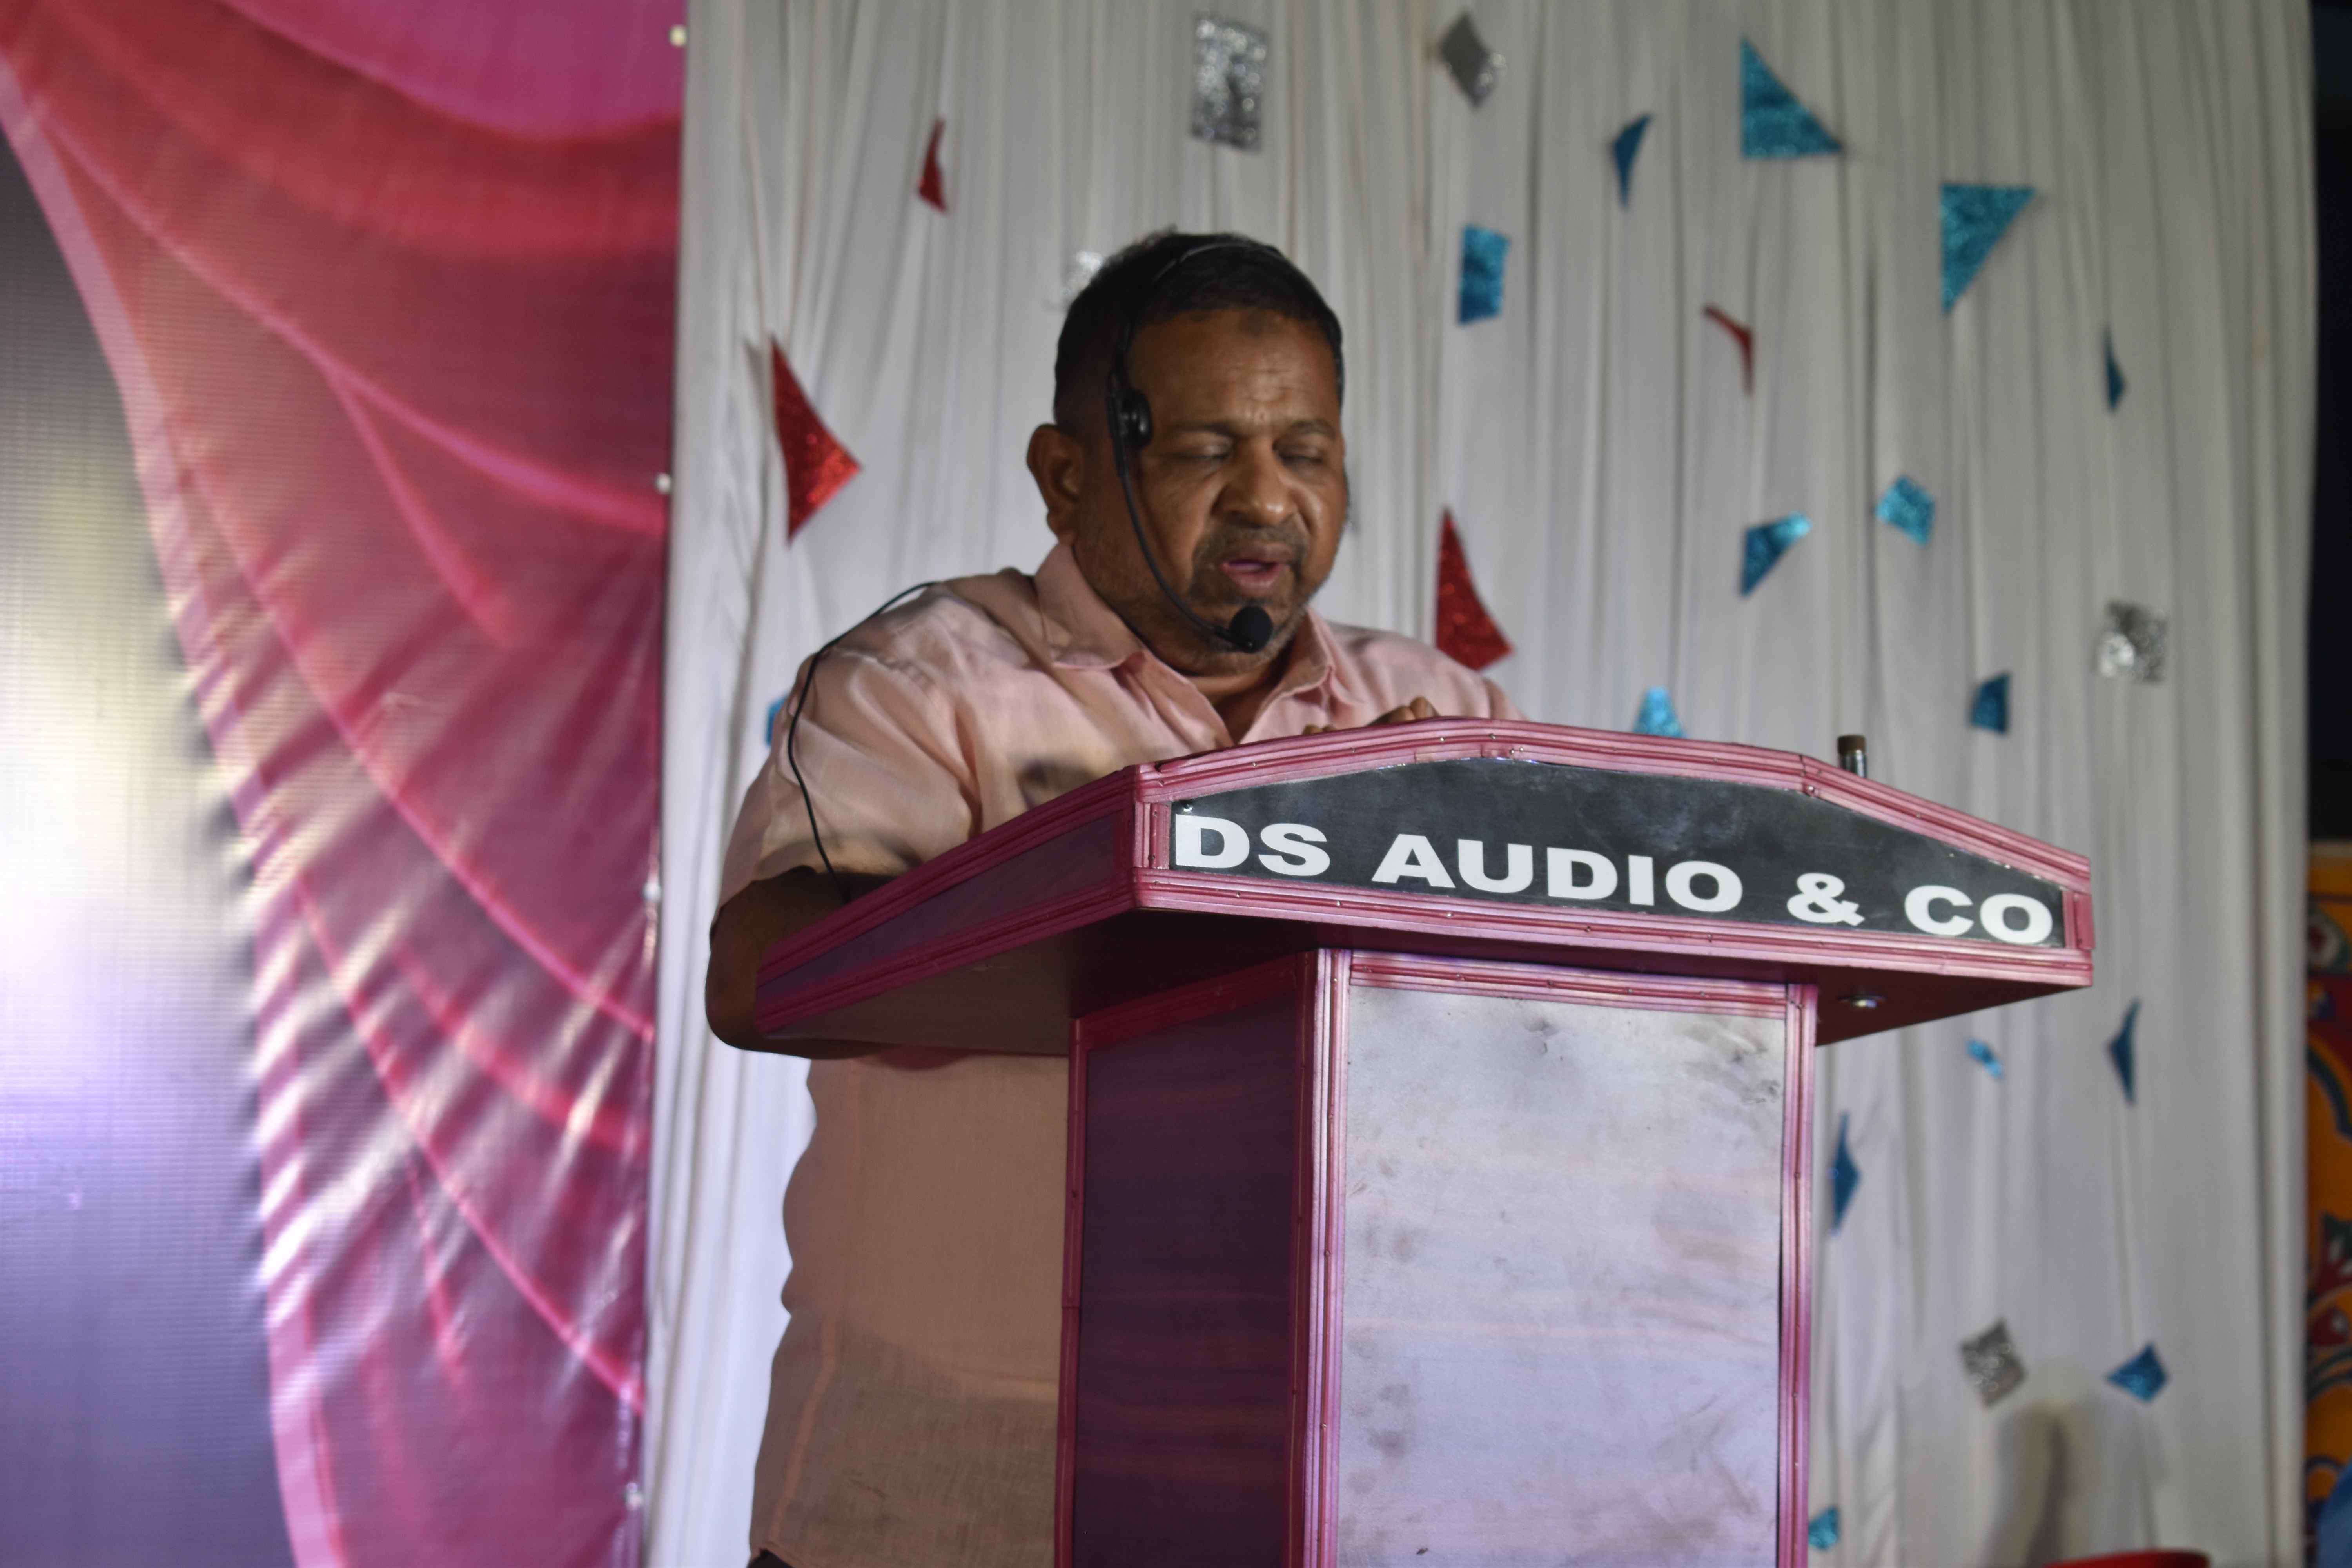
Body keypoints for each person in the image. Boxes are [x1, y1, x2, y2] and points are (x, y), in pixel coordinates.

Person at [706, 230, 1519, 1568]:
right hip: (949, 1493)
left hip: (1319, 1486)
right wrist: (1231, 866)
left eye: (1306, 452)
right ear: (1067, 475)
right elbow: (760, 980)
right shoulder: (919, 685)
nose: (1269, 499)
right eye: (1207, 450)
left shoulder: (1442, 711)